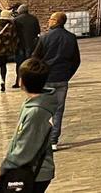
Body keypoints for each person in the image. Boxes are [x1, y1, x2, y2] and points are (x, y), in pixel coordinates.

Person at [0, 58, 58, 193]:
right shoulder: (33, 103)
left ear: (21, 81)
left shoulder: (36, 111)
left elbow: (24, 147)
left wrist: (4, 170)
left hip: (35, 172)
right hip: (31, 170)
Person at [33, 12, 81, 151]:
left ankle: (43, 138)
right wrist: (68, 74)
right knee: (58, 110)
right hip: (62, 78)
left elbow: (35, 58)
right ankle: (53, 140)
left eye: (51, 19)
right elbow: (76, 60)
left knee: (43, 109)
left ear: (56, 21)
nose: (49, 21)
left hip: (47, 78)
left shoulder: (45, 37)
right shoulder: (70, 37)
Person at [0, 10, 18, 92]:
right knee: (3, 66)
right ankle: (3, 81)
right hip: (5, 50)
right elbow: (14, 38)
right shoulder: (11, 27)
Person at [13, 5, 41, 89]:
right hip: (32, 44)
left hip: (20, 45)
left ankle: (19, 82)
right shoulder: (34, 18)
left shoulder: (16, 20)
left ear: (19, 11)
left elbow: (14, 33)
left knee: (20, 64)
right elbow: (38, 31)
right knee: (31, 64)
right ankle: (32, 81)